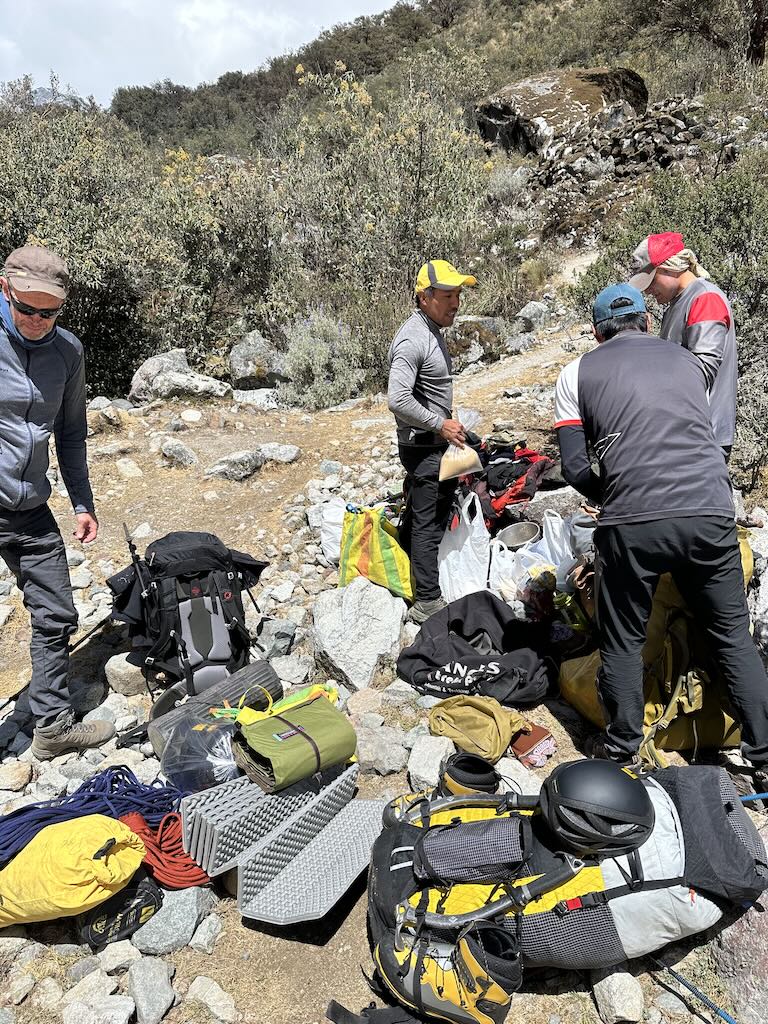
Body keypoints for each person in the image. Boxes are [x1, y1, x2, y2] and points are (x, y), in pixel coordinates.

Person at [553, 282, 768, 793]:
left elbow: (573, 466)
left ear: (597, 332)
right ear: (648, 322)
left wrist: (614, 490)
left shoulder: (575, 372)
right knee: (732, 637)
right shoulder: (690, 363)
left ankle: (624, 750)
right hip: (711, 509)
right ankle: (763, 755)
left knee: (624, 638)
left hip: (633, 520)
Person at [0, 244, 115, 759]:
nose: (37, 320)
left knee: (56, 614)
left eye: (49, 311)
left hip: (31, 507)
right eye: (27, 308)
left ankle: (51, 728)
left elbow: (70, 435)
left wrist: (82, 502)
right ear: (5, 289)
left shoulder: (68, 352)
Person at [388, 259, 477, 624]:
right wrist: (440, 425)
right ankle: (427, 600)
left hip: (436, 441)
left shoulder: (432, 328)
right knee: (427, 520)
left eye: (458, 294)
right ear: (424, 298)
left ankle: (418, 568)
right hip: (423, 445)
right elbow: (397, 398)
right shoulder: (413, 338)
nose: (455, 302)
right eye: (447, 295)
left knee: (435, 512)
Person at [628, 231, 737, 459]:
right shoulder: (679, 303)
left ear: (669, 267)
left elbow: (701, 372)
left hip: (703, 437)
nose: (647, 291)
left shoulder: (705, 299)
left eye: (650, 281)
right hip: (687, 434)